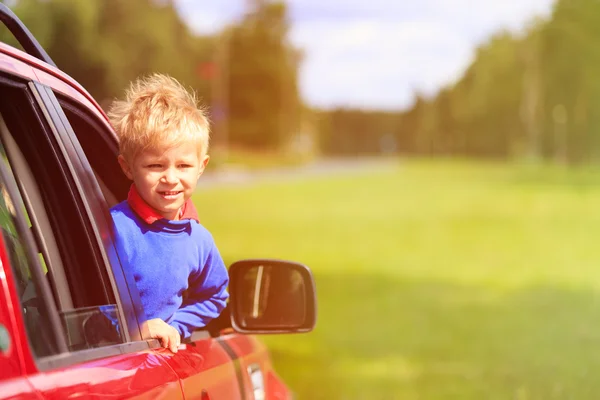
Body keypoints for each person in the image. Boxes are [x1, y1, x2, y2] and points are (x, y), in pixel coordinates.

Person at [108, 73, 229, 353]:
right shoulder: (114, 228)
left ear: (202, 165)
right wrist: (134, 328)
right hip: (117, 362)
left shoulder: (199, 239)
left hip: (162, 368)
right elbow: (86, 300)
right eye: (155, 166)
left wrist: (175, 326)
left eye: (184, 166)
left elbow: (215, 295)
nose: (171, 178)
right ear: (127, 168)